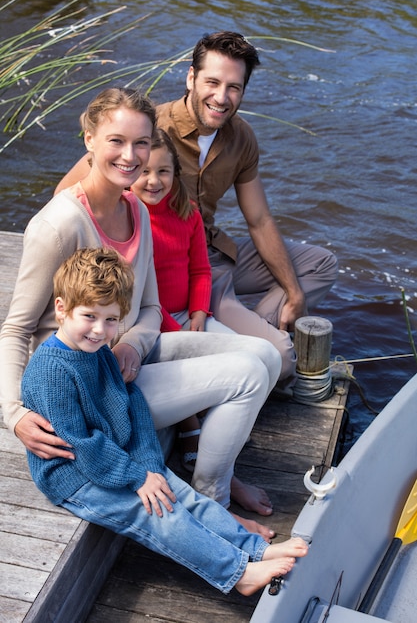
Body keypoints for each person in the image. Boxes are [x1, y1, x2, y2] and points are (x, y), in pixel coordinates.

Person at [0, 87, 282, 539]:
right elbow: (15, 328)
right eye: (116, 140)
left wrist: (132, 343)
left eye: (141, 143)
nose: (130, 156)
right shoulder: (58, 226)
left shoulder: (136, 209)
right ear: (89, 139)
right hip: (89, 389)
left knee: (267, 356)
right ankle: (214, 502)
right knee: (248, 373)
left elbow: (149, 308)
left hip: (129, 361)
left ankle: (215, 479)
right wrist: (13, 414)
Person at [54, 32, 338, 393]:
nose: (222, 98)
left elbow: (259, 220)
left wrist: (294, 293)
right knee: (280, 358)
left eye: (234, 87)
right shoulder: (148, 130)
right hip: (159, 270)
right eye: (213, 82)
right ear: (191, 78)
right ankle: (248, 336)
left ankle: (252, 322)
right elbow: (66, 193)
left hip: (208, 257)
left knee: (321, 264)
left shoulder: (242, 137)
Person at [21, 246, 308, 595]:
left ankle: (255, 548)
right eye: (89, 316)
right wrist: (136, 476)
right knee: (157, 513)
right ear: (62, 308)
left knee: (181, 493)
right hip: (75, 476)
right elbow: (80, 445)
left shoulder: (98, 354)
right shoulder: (52, 370)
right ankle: (238, 573)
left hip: (115, 456)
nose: (99, 330)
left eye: (111, 320)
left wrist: (148, 464)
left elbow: (133, 405)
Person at [131, 127, 235, 472]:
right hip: (151, 318)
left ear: (176, 172)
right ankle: (191, 428)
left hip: (188, 313)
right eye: (144, 171)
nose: (153, 181)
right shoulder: (129, 217)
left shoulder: (187, 212)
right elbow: (143, 290)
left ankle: (223, 421)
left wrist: (199, 312)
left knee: (242, 354)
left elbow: (200, 271)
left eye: (163, 171)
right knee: (180, 363)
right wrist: (176, 328)